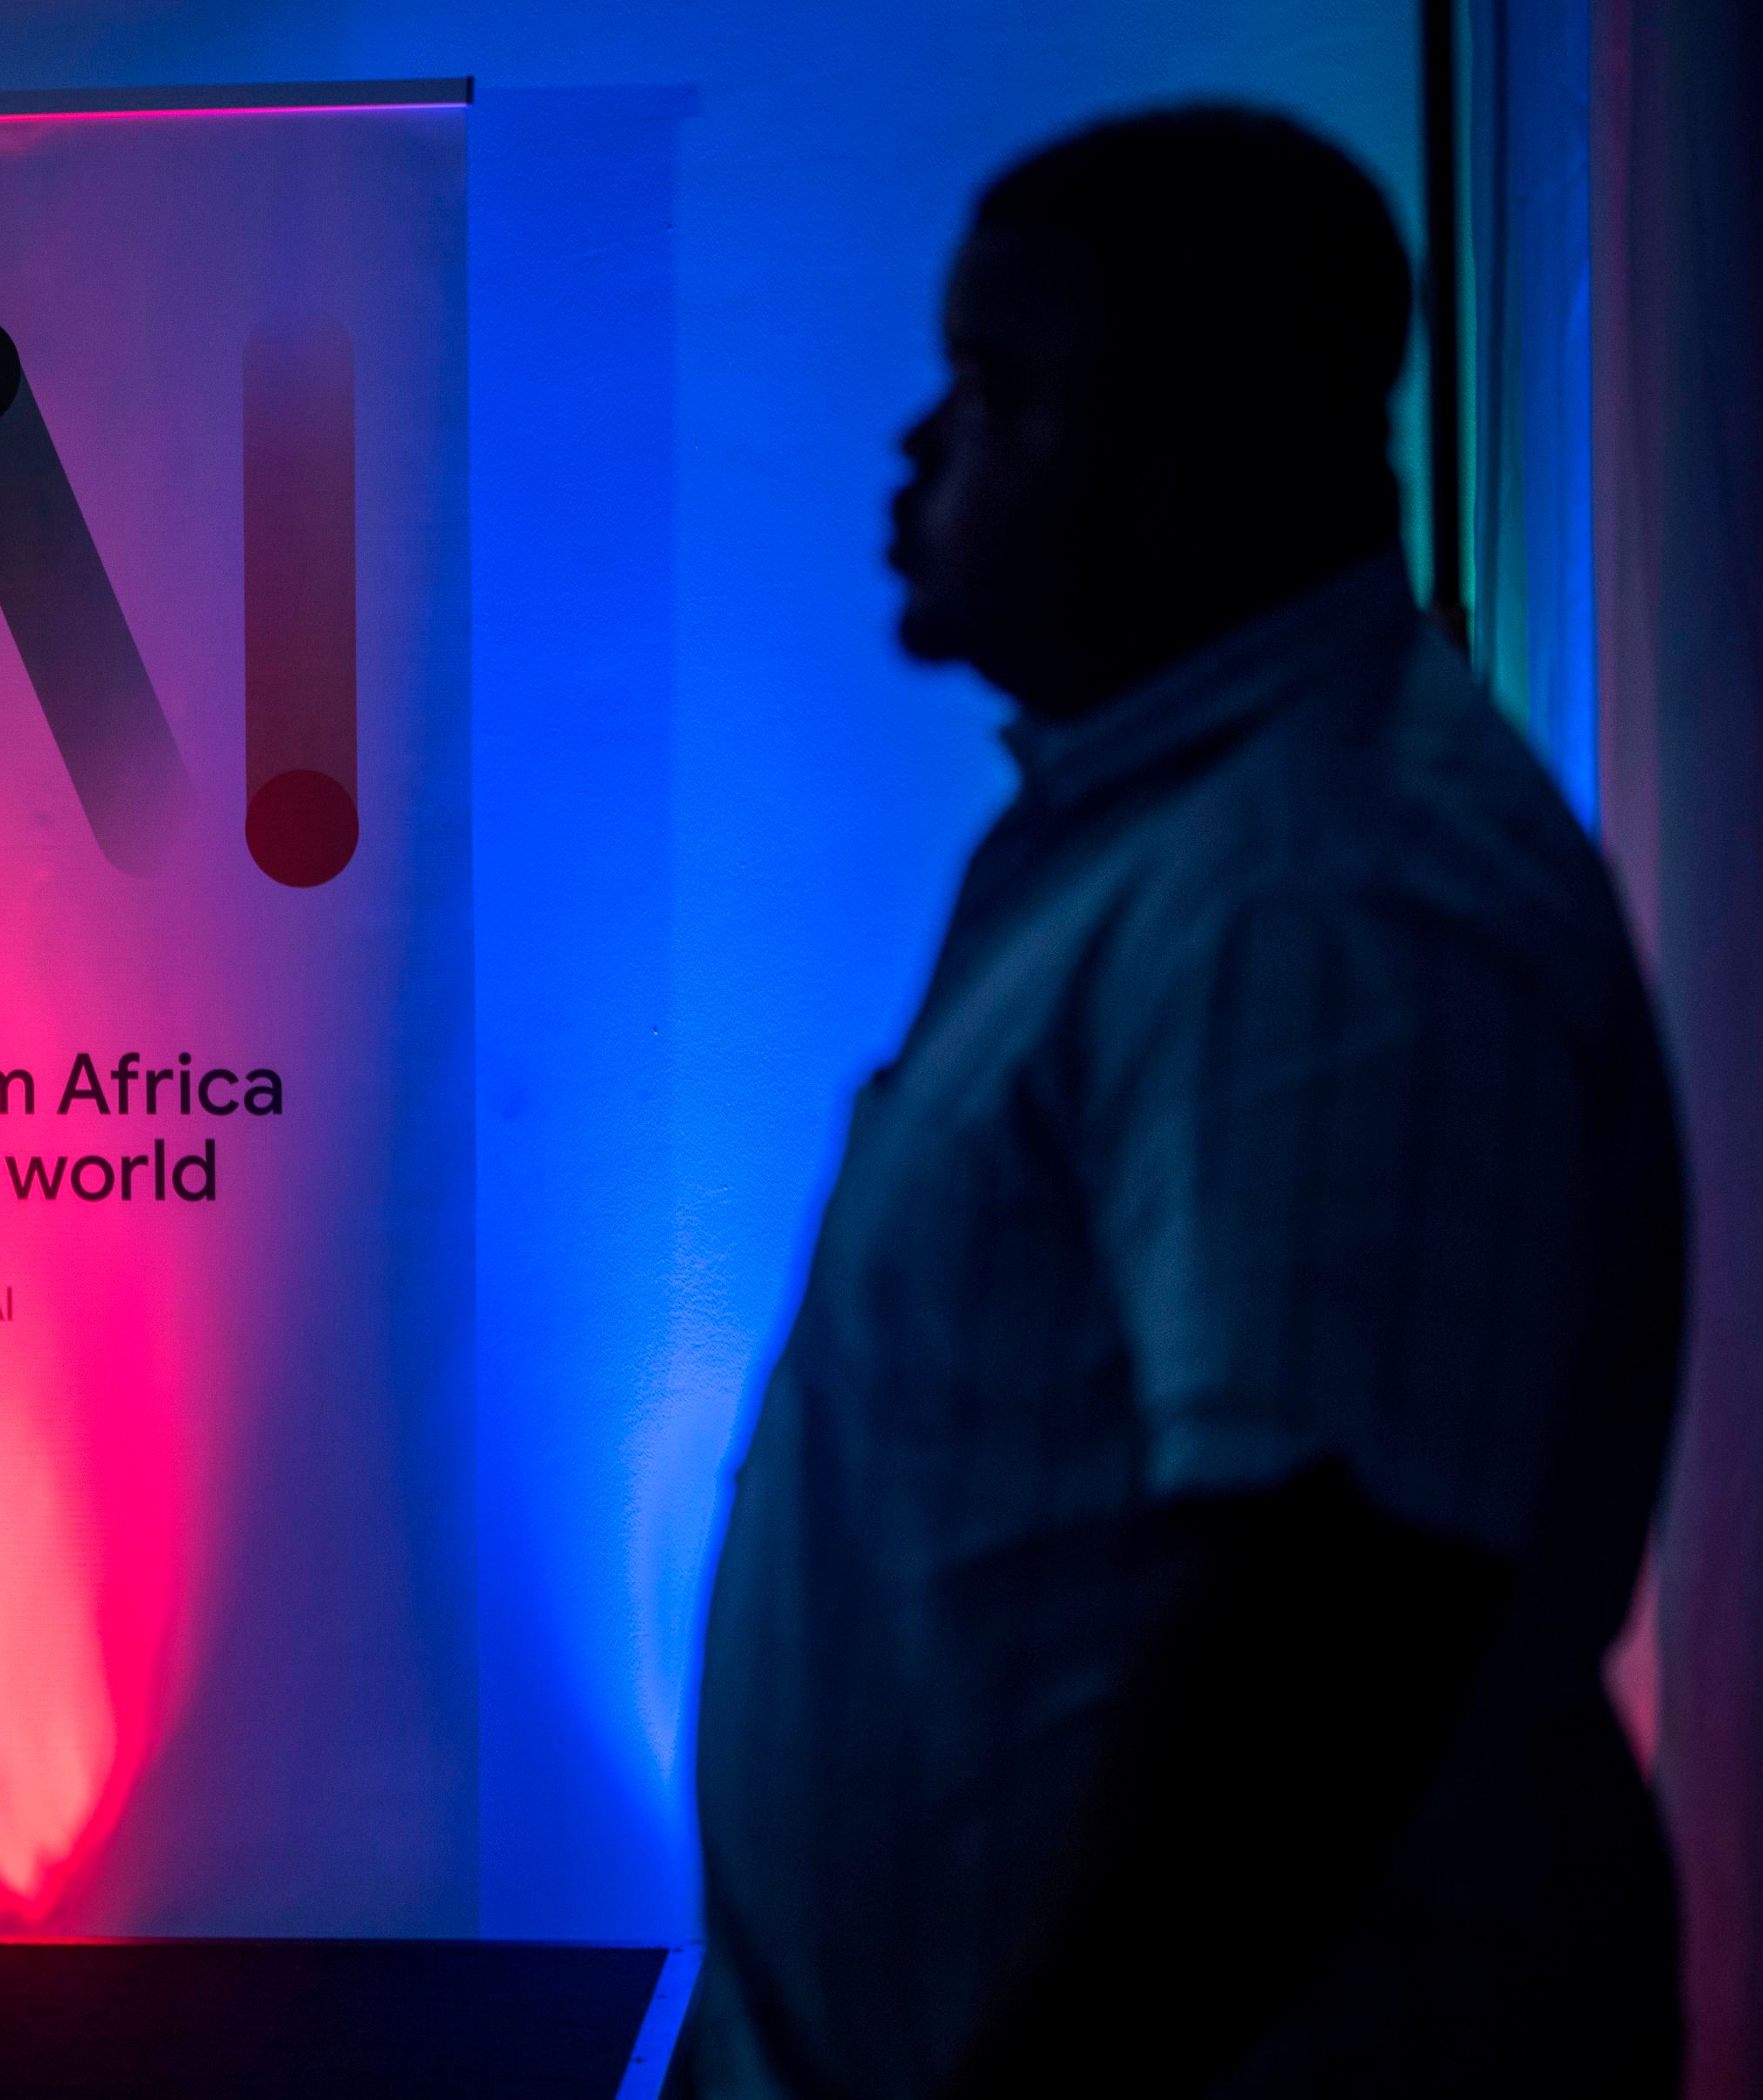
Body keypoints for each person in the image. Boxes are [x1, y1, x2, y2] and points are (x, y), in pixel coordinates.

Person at [687, 106, 1686, 2097]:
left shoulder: (1324, 894)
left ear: (1185, 457)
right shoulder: (1182, 833)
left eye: (989, 389)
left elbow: (1323, 1646)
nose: (918, 453)